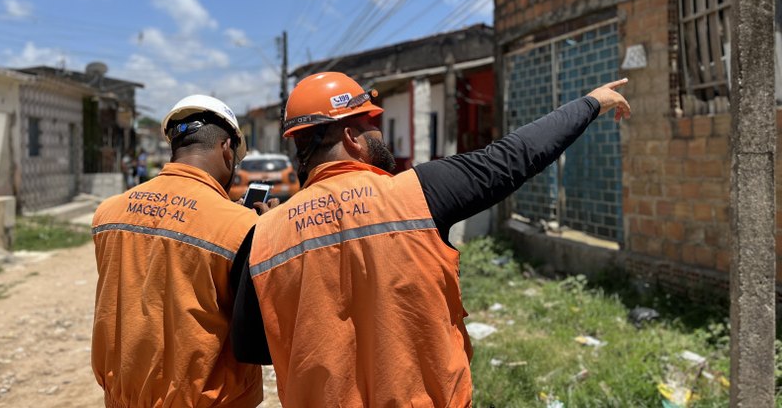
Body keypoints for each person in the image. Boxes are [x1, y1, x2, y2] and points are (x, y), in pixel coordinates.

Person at [230, 72, 631, 406]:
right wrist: (591, 103)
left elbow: (253, 348)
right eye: (372, 126)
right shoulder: (419, 193)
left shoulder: (265, 233)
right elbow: (514, 157)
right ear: (352, 137)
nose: (379, 135)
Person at [91, 95, 268, 408]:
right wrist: (267, 236)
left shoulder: (108, 213)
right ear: (227, 149)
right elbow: (257, 340)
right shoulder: (241, 226)